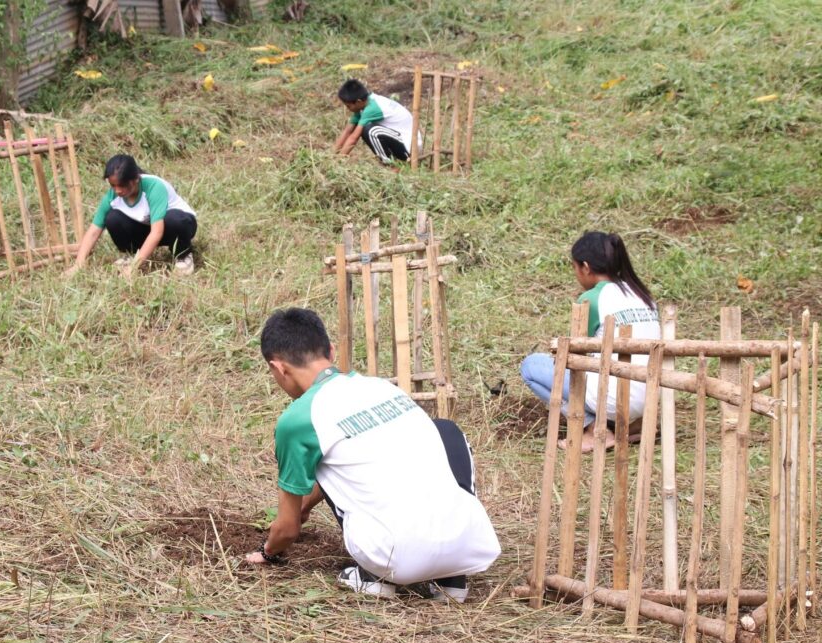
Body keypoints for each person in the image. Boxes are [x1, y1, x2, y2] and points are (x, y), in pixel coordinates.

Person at [245, 308, 500, 602]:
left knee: (326, 455)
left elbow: (288, 529)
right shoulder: (383, 389)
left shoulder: (300, 419)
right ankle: (451, 580)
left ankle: (372, 576)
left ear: (278, 368)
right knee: (442, 430)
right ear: (330, 350)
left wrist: (268, 552)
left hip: (394, 559)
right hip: (470, 544)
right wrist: (307, 505)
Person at [520, 231, 660, 452]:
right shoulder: (643, 295)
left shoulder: (592, 299)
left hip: (612, 398)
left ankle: (594, 428)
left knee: (531, 366)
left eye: (575, 268)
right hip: (647, 398)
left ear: (585, 267)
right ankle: (633, 424)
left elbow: (575, 356)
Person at [64, 154, 198, 277]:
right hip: (148, 227)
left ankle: (183, 255)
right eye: (113, 185)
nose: (117, 190)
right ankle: (132, 255)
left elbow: (157, 233)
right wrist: (78, 265)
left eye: (122, 185)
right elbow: (93, 231)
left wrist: (133, 268)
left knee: (173, 220)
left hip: (178, 226)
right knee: (113, 218)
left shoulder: (154, 187)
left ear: (135, 179)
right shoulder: (112, 196)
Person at [333, 79, 421, 165]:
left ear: (358, 102)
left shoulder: (372, 108)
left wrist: (339, 161)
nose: (348, 109)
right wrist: (332, 156)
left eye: (348, 106)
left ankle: (391, 164)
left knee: (370, 130)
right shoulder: (364, 103)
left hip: (410, 147)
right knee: (366, 129)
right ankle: (392, 161)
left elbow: (353, 138)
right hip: (399, 140)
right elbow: (347, 131)